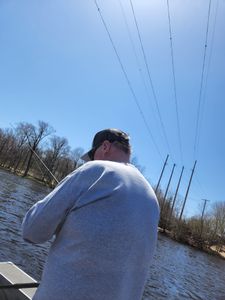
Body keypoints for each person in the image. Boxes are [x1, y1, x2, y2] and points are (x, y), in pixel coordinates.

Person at [22, 128, 160, 300]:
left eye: (92, 155)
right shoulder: (152, 199)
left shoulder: (96, 169)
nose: (91, 160)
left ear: (105, 146)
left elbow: (32, 231)